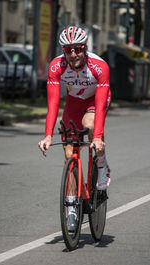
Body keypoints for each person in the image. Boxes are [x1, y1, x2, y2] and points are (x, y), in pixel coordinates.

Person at [37, 26, 111, 231]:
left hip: (95, 101)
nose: (73, 54)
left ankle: (102, 164)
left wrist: (97, 136)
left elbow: (102, 100)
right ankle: (71, 205)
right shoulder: (56, 67)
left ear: (85, 48)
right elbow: (53, 104)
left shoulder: (99, 66)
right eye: (68, 50)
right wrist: (48, 136)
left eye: (77, 49)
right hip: (74, 103)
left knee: (89, 124)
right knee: (70, 153)